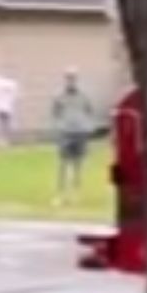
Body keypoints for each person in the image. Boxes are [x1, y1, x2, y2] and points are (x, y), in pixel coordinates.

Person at [52, 69, 96, 199]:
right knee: (63, 162)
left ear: (77, 79)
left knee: (78, 162)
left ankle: (76, 191)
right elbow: (55, 112)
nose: (71, 80)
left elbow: (89, 110)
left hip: (80, 131)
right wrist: (60, 125)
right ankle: (61, 191)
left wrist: (86, 125)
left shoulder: (84, 95)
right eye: (68, 78)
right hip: (66, 131)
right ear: (65, 79)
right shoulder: (59, 95)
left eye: (73, 78)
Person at [0, 73, 20, 144]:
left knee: (5, 124)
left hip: (4, 109)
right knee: (5, 124)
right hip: (3, 109)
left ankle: (6, 138)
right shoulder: (6, 84)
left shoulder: (0, 84)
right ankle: (6, 138)